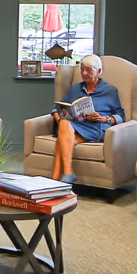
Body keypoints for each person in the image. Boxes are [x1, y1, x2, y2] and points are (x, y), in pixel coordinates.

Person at [50, 54, 126, 183]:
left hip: (97, 127)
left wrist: (104, 119)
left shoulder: (110, 90)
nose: (84, 73)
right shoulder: (76, 89)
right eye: (82, 69)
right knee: (64, 127)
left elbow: (120, 116)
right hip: (76, 125)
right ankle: (62, 176)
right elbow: (59, 107)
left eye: (88, 70)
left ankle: (57, 177)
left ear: (99, 72)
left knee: (62, 135)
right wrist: (58, 116)